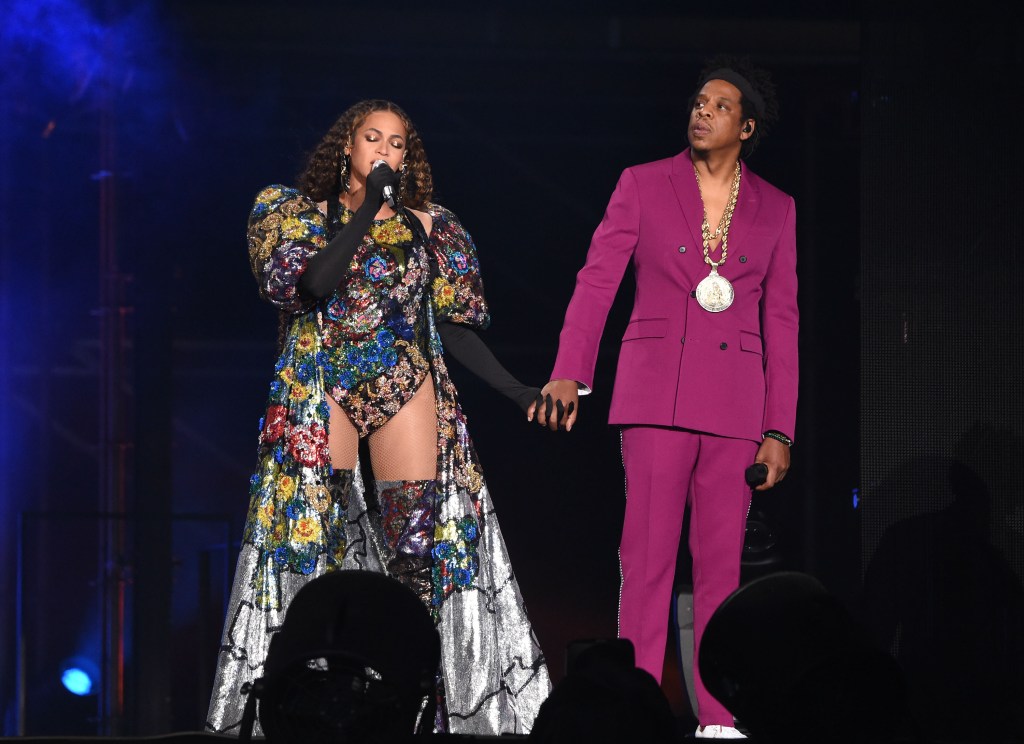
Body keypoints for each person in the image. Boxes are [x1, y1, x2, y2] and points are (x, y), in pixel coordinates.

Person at [206, 99, 551, 737]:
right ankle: (318, 691)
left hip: (403, 378)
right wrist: (367, 210)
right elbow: (310, 285)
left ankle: (414, 699)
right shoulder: (288, 211)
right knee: (317, 538)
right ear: (347, 148)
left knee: (414, 549)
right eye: (372, 139)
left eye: (397, 144)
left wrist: (516, 390)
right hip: (321, 379)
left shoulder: (431, 224)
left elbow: (452, 325)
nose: (384, 152)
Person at [529, 56, 798, 739]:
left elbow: (783, 323)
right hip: (654, 399)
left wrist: (780, 429)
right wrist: (570, 369)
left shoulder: (777, 208)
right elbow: (598, 280)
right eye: (698, 101)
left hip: (737, 407)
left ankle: (719, 718)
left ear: (747, 126)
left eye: (719, 105)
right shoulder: (643, 184)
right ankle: (634, 712)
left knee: (721, 572)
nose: (701, 111)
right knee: (645, 562)